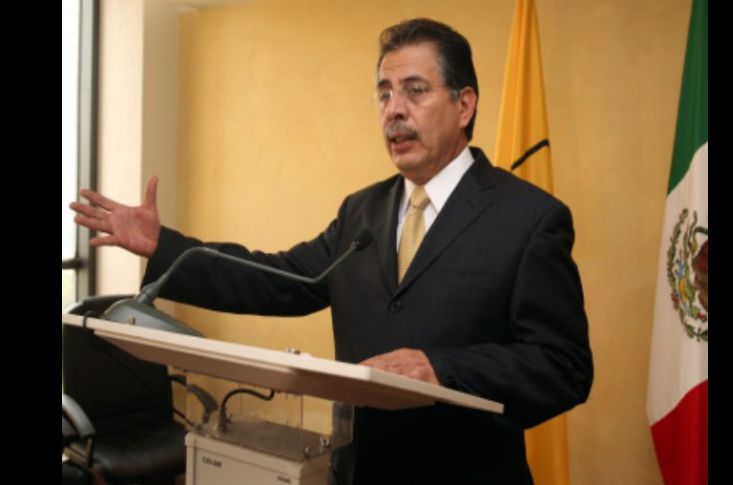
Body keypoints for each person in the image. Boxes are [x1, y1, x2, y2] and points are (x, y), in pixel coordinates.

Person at [71, 18, 593, 485]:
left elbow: (562, 366)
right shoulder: (362, 210)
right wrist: (165, 246)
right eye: (384, 94)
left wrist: (441, 368)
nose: (394, 110)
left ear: (464, 105)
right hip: (359, 469)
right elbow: (279, 280)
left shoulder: (528, 218)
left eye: (415, 91)